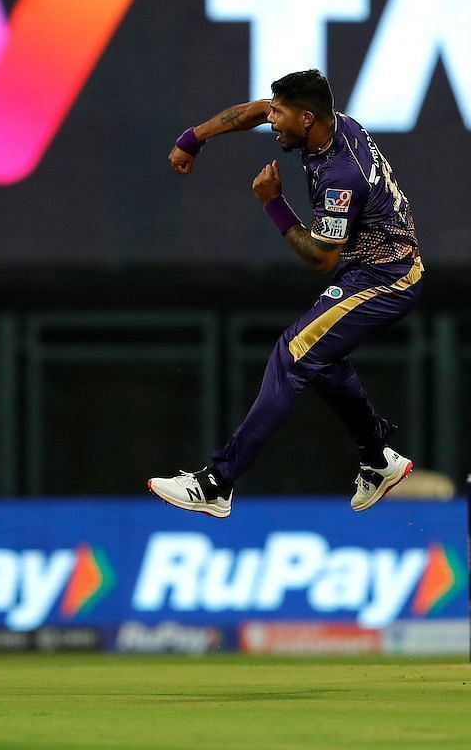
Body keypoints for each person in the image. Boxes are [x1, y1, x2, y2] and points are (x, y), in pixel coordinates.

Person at [149, 69, 421, 518]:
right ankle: (377, 459)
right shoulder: (328, 126)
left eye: (280, 113)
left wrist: (273, 203)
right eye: (273, 110)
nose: (271, 120)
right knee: (322, 361)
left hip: (386, 278)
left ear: (308, 118)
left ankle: (217, 482)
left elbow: (321, 258)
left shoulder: (341, 175)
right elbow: (253, 111)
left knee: (293, 354)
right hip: (368, 271)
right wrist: (192, 138)